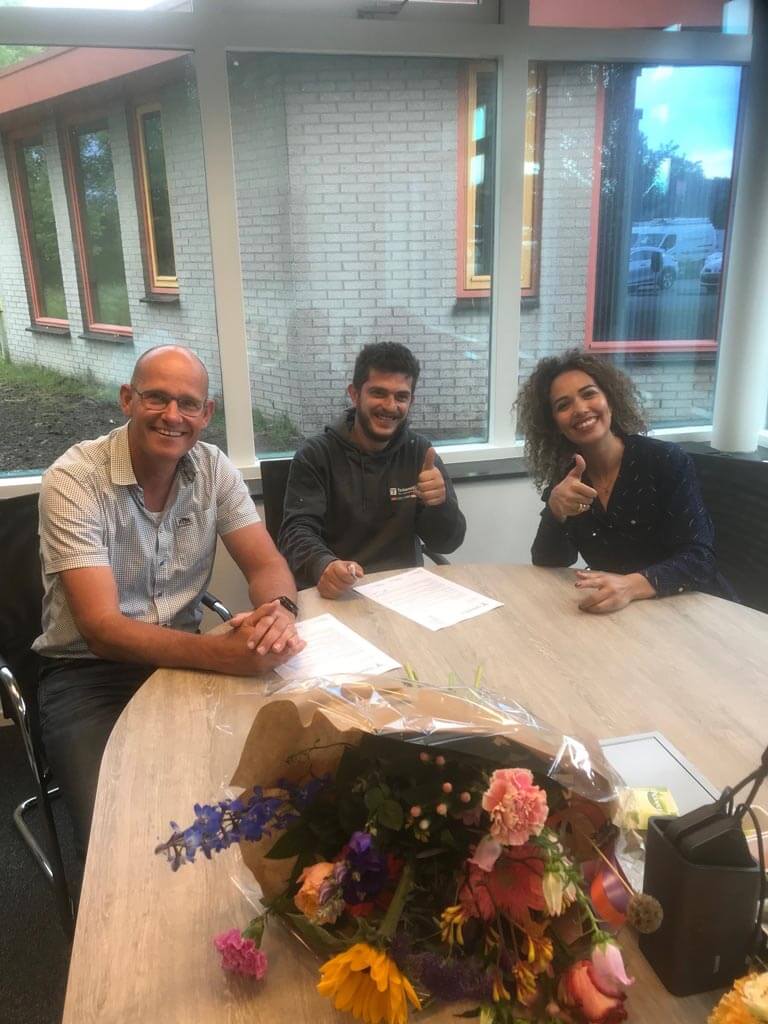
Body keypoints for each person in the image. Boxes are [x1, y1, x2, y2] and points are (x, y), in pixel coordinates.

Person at [33, 345, 305, 857]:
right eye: (156, 398)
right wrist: (221, 655)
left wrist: (279, 613)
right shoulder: (74, 479)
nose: (172, 416)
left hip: (184, 663)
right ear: (127, 399)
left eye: (188, 403)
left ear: (207, 412)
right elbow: (101, 629)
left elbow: (267, 566)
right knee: (120, 836)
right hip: (88, 676)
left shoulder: (213, 469)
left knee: (276, 786)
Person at [516, 349, 734, 614]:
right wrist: (555, 511)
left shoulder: (663, 460)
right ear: (554, 424)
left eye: (589, 394)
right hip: (626, 615)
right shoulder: (569, 478)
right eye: (563, 405)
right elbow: (549, 562)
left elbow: (700, 560)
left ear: (610, 400)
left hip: (697, 609)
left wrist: (631, 586)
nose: (580, 409)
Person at [279, 341, 466, 597]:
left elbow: (447, 543)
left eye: (401, 397)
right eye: (378, 393)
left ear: (411, 400)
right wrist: (324, 565)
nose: (390, 406)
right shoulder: (316, 455)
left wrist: (440, 505)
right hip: (341, 594)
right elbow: (296, 532)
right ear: (355, 394)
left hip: (406, 593)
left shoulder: (421, 454)